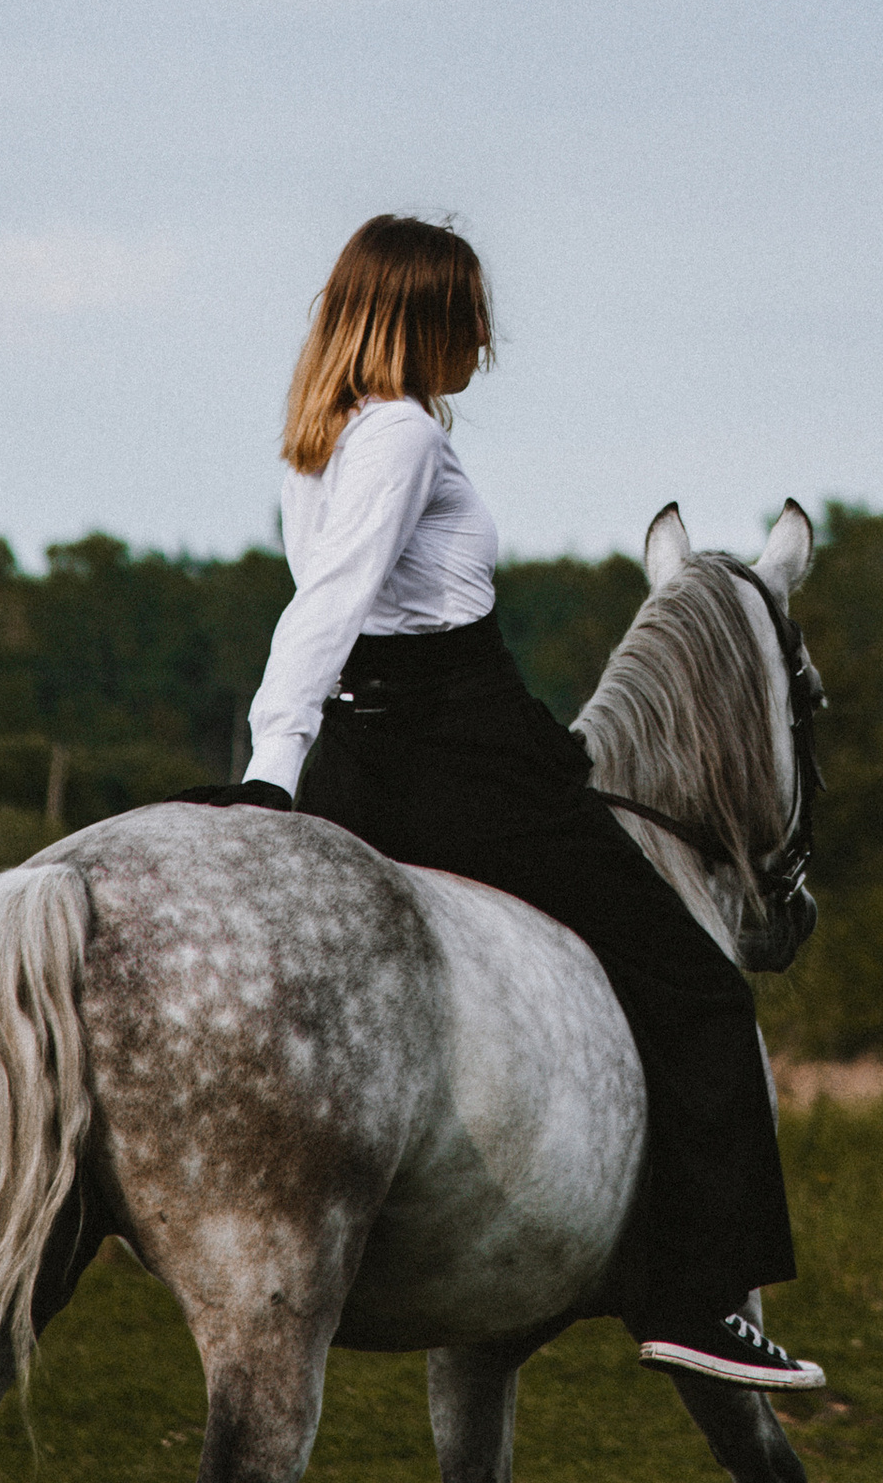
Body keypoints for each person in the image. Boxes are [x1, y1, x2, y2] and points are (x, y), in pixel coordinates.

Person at [230, 211, 823, 1395]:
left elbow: (331, 611)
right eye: (469, 318)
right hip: (465, 758)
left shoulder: (315, 442)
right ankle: (699, 1300)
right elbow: (334, 603)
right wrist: (263, 774)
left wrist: (298, 764)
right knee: (698, 988)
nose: (485, 344)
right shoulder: (399, 433)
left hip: (363, 759)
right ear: (421, 320)